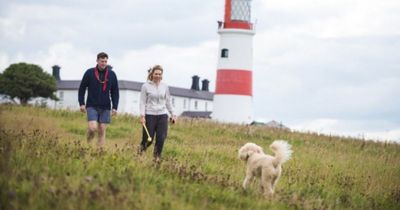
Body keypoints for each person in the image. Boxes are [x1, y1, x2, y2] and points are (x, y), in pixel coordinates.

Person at [78, 52, 119, 147]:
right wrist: (81, 103)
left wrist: (115, 107)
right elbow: (82, 88)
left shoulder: (112, 74)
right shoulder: (89, 73)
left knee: (102, 130)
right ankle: (88, 145)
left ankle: (99, 152)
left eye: (105, 61)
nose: (104, 63)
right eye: (102, 61)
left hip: (105, 107)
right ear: (97, 61)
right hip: (92, 105)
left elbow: (115, 92)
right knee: (92, 128)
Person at [139, 64, 176, 163]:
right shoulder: (145, 86)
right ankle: (140, 153)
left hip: (162, 115)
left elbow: (168, 101)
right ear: (152, 74)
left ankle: (156, 159)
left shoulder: (165, 86)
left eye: (160, 74)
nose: (158, 76)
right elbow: (142, 102)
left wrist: (173, 114)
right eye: (156, 74)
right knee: (148, 139)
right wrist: (142, 116)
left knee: (161, 138)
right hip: (150, 115)